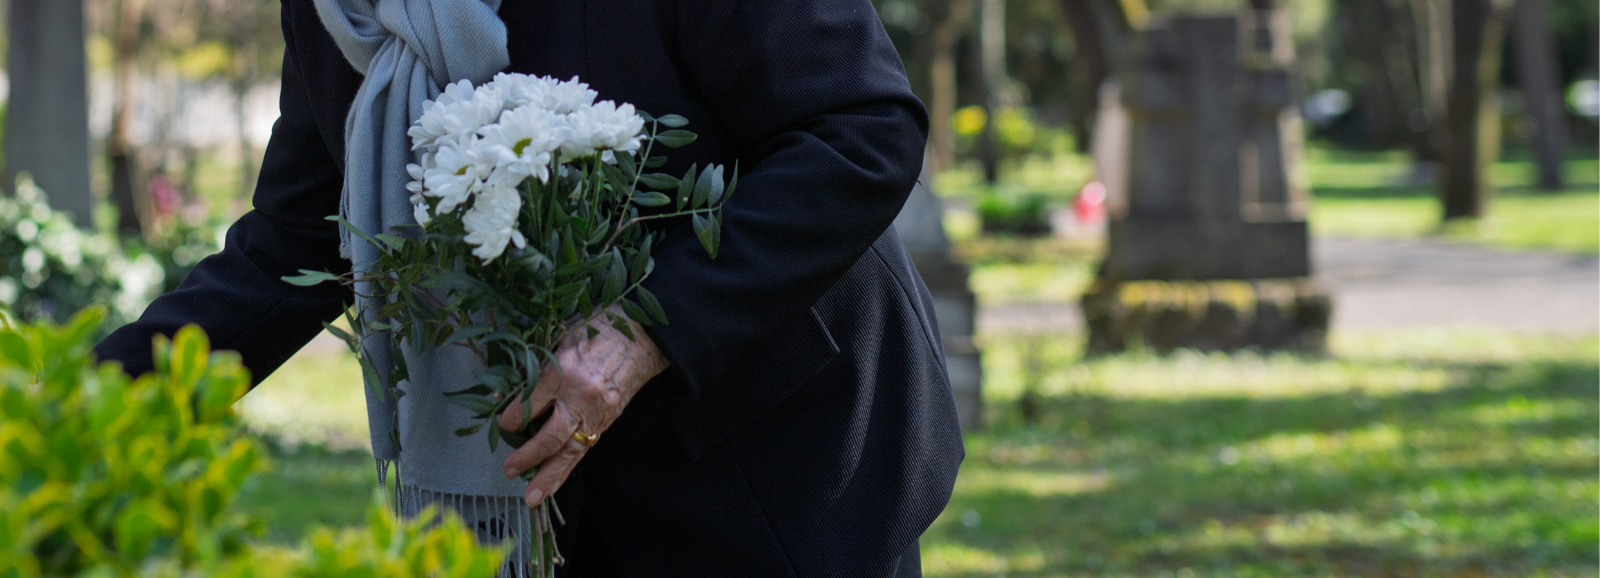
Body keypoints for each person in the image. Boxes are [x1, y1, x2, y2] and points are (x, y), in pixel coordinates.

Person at [94, 0, 964, 575]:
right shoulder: (338, 7)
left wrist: (648, 328)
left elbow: (861, 130)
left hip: (777, 460)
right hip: (535, 476)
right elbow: (289, 248)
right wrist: (88, 404)